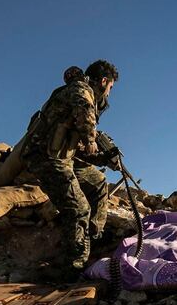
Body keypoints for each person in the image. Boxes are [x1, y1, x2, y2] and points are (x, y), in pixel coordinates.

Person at [21, 60, 117, 277]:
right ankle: (72, 266)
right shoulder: (81, 91)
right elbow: (84, 113)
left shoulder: (79, 100)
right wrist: (92, 138)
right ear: (103, 81)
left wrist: (105, 158)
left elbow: (81, 149)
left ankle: (91, 239)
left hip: (64, 158)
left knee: (99, 182)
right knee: (78, 208)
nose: (109, 95)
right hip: (45, 158)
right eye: (110, 88)